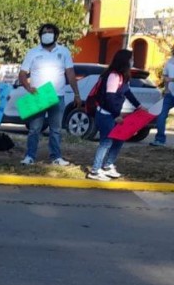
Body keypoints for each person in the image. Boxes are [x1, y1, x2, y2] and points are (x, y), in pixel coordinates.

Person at [18, 23, 81, 166]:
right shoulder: (32, 52)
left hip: (58, 96)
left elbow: (70, 73)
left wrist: (77, 94)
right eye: (44, 32)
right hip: (39, 96)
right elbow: (22, 74)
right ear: (40, 35)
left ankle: (56, 157)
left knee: (56, 129)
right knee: (34, 129)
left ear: (56, 35)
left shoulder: (64, 52)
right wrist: (28, 87)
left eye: (50, 31)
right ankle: (30, 156)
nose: (47, 34)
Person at [87, 49, 145, 181]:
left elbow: (128, 93)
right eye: (131, 59)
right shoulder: (113, 76)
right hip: (106, 115)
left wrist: (139, 106)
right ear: (125, 61)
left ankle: (108, 165)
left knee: (119, 139)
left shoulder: (123, 76)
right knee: (106, 142)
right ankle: (95, 171)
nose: (133, 61)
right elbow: (109, 98)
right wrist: (115, 115)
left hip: (113, 114)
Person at [151, 49, 174, 147]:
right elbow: (165, 77)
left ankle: (160, 140)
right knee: (161, 115)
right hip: (169, 93)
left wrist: (171, 80)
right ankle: (160, 139)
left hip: (170, 91)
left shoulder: (169, 62)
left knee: (161, 115)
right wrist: (166, 88)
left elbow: (168, 77)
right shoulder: (169, 62)